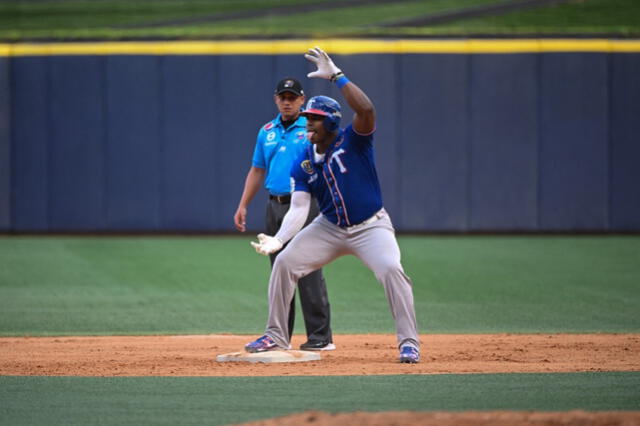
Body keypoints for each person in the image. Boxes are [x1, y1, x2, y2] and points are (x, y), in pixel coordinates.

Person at [245, 47, 420, 363]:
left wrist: (338, 77)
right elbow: (299, 208)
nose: (308, 123)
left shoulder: (354, 140)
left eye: (315, 119)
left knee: (393, 270)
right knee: (284, 264)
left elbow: (366, 110)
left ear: (332, 122)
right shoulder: (305, 159)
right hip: (328, 227)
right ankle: (276, 335)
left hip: (370, 226)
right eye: (308, 118)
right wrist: (279, 240)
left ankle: (409, 342)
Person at [234, 77, 334, 351]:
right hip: (274, 204)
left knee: (309, 269)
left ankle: (320, 337)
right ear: (276, 99)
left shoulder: (313, 127)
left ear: (302, 100)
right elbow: (257, 169)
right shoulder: (266, 130)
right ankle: (280, 336)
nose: (287, 102)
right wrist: (244, 204)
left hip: (306, 203)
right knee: (280, 269)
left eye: (292, 97)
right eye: (283, 97)